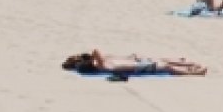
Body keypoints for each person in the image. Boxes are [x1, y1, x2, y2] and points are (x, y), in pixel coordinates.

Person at [63, 51, 207, 77]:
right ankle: (194, 72)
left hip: (135, 63)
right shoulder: (102, 65)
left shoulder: (102, 64)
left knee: (163, 61)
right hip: (138, 67)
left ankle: (188, 64)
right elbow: (96, 51)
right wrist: (84, 57)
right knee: (167, 67)